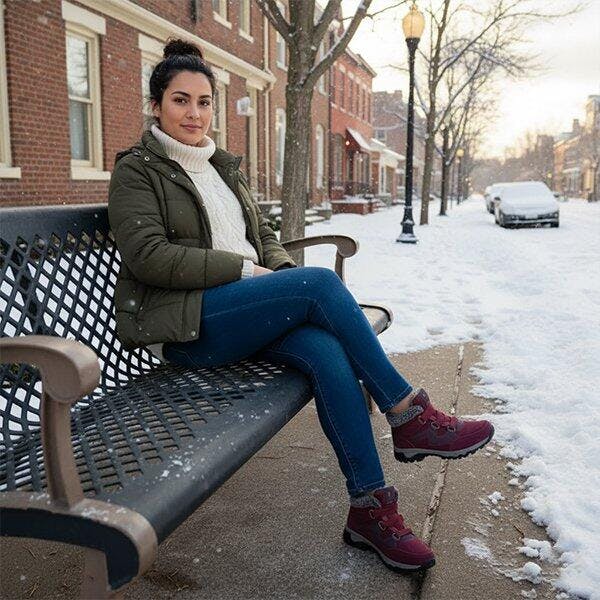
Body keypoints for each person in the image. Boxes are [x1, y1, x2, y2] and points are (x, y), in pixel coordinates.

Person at [108, 38, 494, 573]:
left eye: (203, 101)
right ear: (156, 105)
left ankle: (370, 509)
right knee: (318, 285)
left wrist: (279, 279)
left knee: (326, 352)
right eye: (180, 100)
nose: (194, 113)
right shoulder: (137, 170)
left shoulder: (221, 167)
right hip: (189, 326)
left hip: (243, 313)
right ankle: (409, 414)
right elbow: (149, 256)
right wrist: (252, 274)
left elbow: (262, 237)